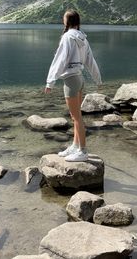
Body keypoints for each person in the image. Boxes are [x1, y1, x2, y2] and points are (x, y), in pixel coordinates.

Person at [44, 9, 102, 162]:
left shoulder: (67, 37)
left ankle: (83, 151)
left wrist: (50, 81)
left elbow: (60, 60)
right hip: (79, 79)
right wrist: (98, 79)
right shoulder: (83, 38)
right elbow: (91, 61)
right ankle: (75, 145)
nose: (62, 20)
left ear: (68, 21)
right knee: (76, 116)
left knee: (76, 118)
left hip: (70, 80)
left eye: (64, 18)